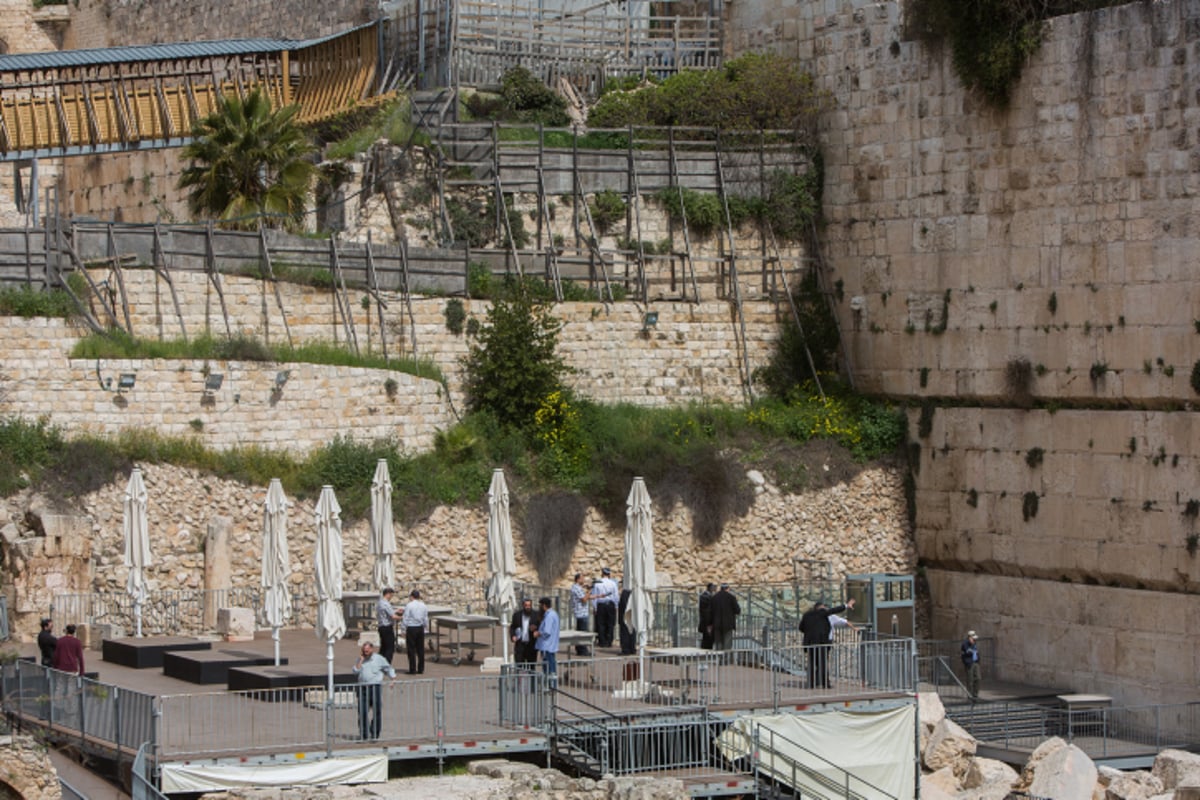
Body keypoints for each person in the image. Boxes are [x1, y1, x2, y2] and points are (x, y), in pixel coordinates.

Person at [799, 598, 856, 689]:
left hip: (810, 643)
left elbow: (801, 628)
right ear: (821, 608)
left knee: (812, 664)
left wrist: (810, 632)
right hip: (822, 643)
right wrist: (846, 606)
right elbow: (834, 610)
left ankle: (811, 683)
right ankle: (825, 683)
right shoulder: (822, 613)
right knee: (823, 663)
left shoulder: (806, 615)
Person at [352, 640, 395, 740]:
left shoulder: (379, 659)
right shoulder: (360, 659)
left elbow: (388, 668)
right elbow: (355, 671)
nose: (365, 652)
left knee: (377, 711)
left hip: (374, 687)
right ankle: (364, 734)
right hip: (362, 687)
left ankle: (375, 733)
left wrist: (393, 679)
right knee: (362, 712)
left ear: (372, 649)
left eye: (367, 651)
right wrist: (361, 660)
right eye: (364, 651)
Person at [589, 567, 619, 648]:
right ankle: (609, 641)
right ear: (609, 574)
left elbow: (595, 596)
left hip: (601, 605)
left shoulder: (598, 583)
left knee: (601, 624)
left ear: (602, 573)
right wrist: (616, 606)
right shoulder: (613, 583)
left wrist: (595, 607)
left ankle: (602, 641)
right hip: (610, 605)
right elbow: (616, 596)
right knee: (610, 624)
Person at [401, 589, 429, 675]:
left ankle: (412, 669)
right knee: (420, 649)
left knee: (411, 649)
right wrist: (425, 627)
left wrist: (403, 628)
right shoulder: (423, 605)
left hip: (411, 628)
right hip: (420, 628)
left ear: (411, 597)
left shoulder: (409, 605)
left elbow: (406, 617)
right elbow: (425, 618)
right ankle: (421, 668)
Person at [533, 597, 560, 685]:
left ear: (544, 606)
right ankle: (550, 684)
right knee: (550, 666)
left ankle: (551, 685)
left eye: (540, 606)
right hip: (549, 645)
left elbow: (547, 631)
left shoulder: (549, 616)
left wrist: (538, 633)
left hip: (547, 646)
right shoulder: (553, 614)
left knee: (548, 667)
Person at [709, 583, 741, 652]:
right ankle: (726, 660)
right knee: (727, 644)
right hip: (728, 624)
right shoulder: (731, 597)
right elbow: (737, 610)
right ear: (727, 588)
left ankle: (719, 660)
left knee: (718, 644)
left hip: (716, 624)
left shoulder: (714, 598)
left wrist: (710, 624)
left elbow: (710, 612)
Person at [509, 597, 540, 666]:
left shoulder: (536, 615)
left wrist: (536, 629)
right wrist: (513, 636)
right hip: (520, 645)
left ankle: (532, 677)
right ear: (523, 606)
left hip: (531, 645)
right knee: (519, 666)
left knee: (531, 666)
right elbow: (512, 627)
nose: (528, 607)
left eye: (529, 605)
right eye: (526, 605)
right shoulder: (517, 615)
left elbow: (540, 626)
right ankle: (519, 677)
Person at [376, 588, 401, 664]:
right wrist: (403, 618)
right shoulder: (386, 603)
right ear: (388, 594)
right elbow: (393, 616)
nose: (391, 597)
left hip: (381, 626)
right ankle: (386, 664)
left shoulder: (380, 602)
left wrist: (396, 611)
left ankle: (379, 663)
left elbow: (387, 612)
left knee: (383, 647)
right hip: (387, 627)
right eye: (391, 595)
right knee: (389, 648)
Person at [569, 573, 591, 656]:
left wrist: (598, 596)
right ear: (578, 579)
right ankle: (583, 651)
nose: (584, 580)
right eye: (582, 578)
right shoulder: (577, 588)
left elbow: (585, 597)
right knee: (583, 633)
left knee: (580, 632)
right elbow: (584, 599)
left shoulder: (577, 588)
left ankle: (579, 649)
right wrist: (589, 590)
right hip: (581, 613)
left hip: (581, 613)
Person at [961, 630, 981, 701]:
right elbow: (967, 651)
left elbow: (976, 651)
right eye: (973, 638)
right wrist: (972, 649)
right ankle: (970, 696)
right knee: (970, 680)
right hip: (969, 663)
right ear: (969, 637)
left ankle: (975, 695)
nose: (974, 640)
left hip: (975, 662)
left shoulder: (974, 643)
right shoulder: (965, 644)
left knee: (978, 678)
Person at [617, 584, 635, 655]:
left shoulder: (625, 593)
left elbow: (623, 606)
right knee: (632, 631)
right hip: (631, 615)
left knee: (625, 632)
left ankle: (626, 649)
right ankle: (632, 648)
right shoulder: (633, 593)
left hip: (625, 616)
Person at [697, 583, 716, 650]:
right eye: (713, 587)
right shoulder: (705, 597)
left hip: (707, 620)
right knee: (707, 637)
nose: (714, 589)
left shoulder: (707, 596)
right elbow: (706, 610)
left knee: (707, 637)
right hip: (707, 621)